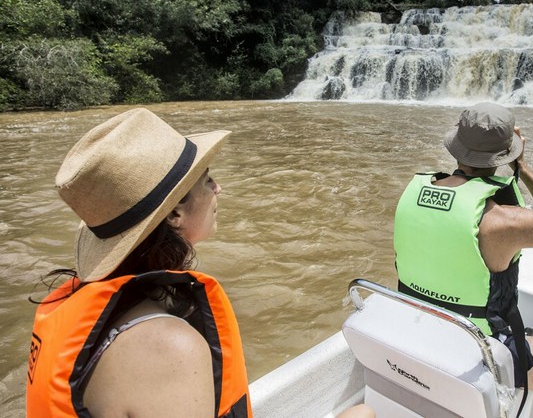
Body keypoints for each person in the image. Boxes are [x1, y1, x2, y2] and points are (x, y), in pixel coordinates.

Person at [25, 108, 376, 418]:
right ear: (175, 214)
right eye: (207, 178)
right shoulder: (170, 347)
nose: (218, 187)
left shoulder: (101, 305)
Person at [394, 102, 533, 417]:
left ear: (457, 148)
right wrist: (522, 167)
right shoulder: (505, 223)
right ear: (508, 153)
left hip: (416, 332)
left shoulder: (411, 194)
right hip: (476, 350)